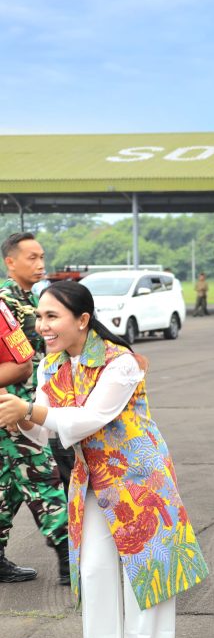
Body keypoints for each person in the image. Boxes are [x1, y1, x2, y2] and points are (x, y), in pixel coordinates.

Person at [0, 280, 209, 638]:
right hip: (92, 481)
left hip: (140, 481)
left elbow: (90, 418)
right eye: (40, 316)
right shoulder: (51, 364)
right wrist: (16, 417)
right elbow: (42, 431)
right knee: (94, 571)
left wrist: (28, 410)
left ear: (82, 320)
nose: (42, 326)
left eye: (52, 316)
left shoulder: (121, 361)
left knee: (146, 574)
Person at [0, 231, 69, 585]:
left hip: (29, 403)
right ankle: (70, 559)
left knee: (8, 485)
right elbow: (12, 361)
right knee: (43, 476)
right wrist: (10, 407)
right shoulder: (5, 301)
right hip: (13, 410)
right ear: (10, 262)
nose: (40, 263)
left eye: (42, 256)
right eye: (32, 257)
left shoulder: (32, 298)